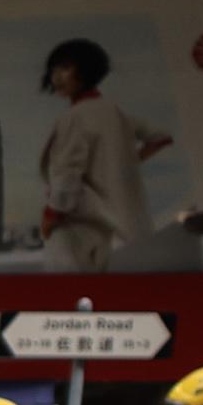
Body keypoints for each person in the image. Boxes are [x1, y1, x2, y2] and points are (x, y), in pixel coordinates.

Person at [35, 39, 167, 271]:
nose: (57, 77)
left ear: (87, 69)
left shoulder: (75, 117)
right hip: (122, 228)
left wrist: (50, 216)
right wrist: (125, 163)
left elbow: (66, 177)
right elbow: (160, 137)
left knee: (63, 296)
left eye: (65, 68)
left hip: (77, 225)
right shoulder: (114, 111)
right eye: (54, 69)